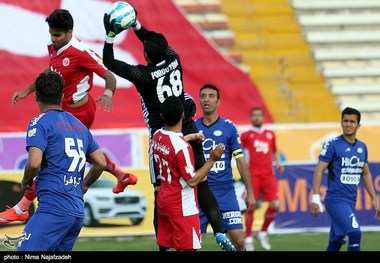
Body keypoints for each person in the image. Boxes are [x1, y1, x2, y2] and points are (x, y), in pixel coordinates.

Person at [102, 11, 235, 251]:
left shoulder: (144, 76)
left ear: (145, 55)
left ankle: (164, 247)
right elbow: (154, 41)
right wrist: (137, 24)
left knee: (160, 192)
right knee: (202, 183)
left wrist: (111, 35)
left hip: (163, 133)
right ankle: (220, 232)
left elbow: (110, 62)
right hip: (187, 122)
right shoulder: (175, 58)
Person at [0, 9, 137, 224]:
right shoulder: (55, 48)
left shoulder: (81, 52)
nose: (53, 39)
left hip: (80, 112)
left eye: (57, 35)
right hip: (64, 111)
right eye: (51, 34)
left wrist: (108, 93)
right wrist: (27, 91)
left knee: (49, 160)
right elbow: (51, 70)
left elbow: (109, 75)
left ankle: (22, 207)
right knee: (84, 155)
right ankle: (123, 176)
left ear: (69, 32)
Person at [17, 71, 106, 251]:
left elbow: (34, 163)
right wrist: (85, 185)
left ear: (36, 96)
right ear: (63, 96)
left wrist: (25, 181)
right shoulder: (79, 125)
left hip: (53, 210)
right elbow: (101, 163)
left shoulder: (39, 122)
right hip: (76, 213)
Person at [153, 96, 225, 251]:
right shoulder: (183, 148)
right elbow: (192, 180)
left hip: (163, 201)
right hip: (181, 206)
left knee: (168, 248)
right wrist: (212, 159)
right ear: (183, 115)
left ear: (161, 116)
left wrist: (191, 137)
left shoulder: (157, 136)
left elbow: (172, 145)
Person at [194, 84, 256, 251]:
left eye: (211, 96)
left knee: (239, 242)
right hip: (200, 193)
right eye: (203, 96)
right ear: (199, 100)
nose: (206, 99)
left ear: (218, 101)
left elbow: (241, 161)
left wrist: (250, 192)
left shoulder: (229, 127)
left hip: (225, 193)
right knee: (190, 245)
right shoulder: (192, 128)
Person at [310, 107, 380, 251]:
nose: (348, 124)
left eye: (352, 121)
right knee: (355, 233)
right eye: (345, 121)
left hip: (350, 201)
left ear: (358, 125)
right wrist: (315, 197)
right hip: (335, 200)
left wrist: (374, 198)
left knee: (335, 242)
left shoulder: (362, 147)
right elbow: (319, 169)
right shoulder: (332, 144)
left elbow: (365, 173)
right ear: (341, 123)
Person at [240, 107, 284, 251]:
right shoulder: (246, 135)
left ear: (263, 117)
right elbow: (239, 153)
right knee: (251, 206)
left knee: (275, 204)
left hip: (268, 174)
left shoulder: (270, 134)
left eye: (259, 115)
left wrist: (279, 163)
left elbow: (275, 151)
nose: (257, 118)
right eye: (254, 115)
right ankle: (248, 238)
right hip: (253, 174)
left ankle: (262, 231)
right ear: (251, 117)